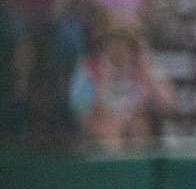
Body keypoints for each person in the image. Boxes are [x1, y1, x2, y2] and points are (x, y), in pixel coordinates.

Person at [69, 17, 170, 150]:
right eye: (113, 41)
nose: (118, 47)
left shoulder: (144, 68)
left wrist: (147, 65)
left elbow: (166, 105)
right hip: (100, 138)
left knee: (139, 130)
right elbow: (81, 111)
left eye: (124, 42)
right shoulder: (89, 68)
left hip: (138, 140)